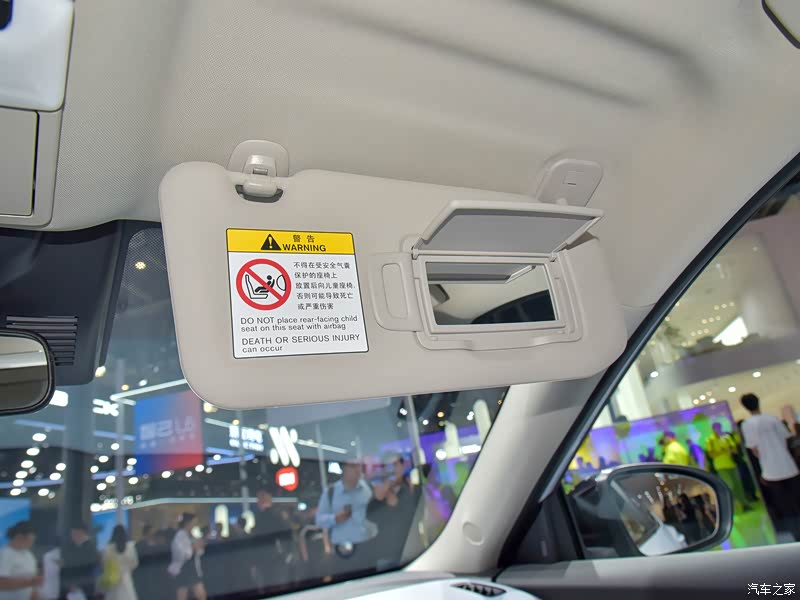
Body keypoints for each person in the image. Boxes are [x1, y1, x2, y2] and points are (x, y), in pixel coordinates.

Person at [740, 393, 800, 541]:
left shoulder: (747, 425)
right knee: (797, 499)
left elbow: (754, 449)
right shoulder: (772, 418)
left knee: (783, 505)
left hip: (770, 470)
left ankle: (795, 535)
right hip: (788, 465)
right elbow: (786, 438)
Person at [315, 460, 377, 575]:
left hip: (367, 547)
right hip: (342, 552)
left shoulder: (369, 489)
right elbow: (319, 520)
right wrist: (335, 518)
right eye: (353, 466)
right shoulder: (331, 492)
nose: (357, 469)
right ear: (343, 469)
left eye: (359, 465)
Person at [368, 453, 421, 570]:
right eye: (388, 466)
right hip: (386, 553)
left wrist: (396, 505)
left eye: (395, 465)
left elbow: (415, 516)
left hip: (411, 551)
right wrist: (377, 498)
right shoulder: (380, 490)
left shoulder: (412, 488)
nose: (392, 470)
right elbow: (370, 517)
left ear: (402, 467)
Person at [705, 422, 751, 511]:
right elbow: (710, 454)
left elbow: (734, 449)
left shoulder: (726, 437)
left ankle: (744, 504)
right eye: (715, 428)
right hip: (721, 466)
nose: (718, 430)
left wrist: (730, 450)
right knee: (730, 485)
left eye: (719, 427)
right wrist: (722, 451)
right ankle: (731, 505)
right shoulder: (710, 440)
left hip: (731, 463)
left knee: (738, 485)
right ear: (713, 429)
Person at [168, 513, 207, 600]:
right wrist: (194, 547)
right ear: (187, 523)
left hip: (192, 568)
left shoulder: (191, 535)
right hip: (184, 568)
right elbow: (181, 553)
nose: (195, 525)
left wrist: (200, 546)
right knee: (183, 594)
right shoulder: (180, 535)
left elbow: (198, 551)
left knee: (199, 594)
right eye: (194, 522)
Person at [0, 521, 42, 600]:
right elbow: (1, 583)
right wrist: (29, 582)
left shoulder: (29, 555)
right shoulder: (4, 554)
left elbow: (33, 584)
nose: (31, 544)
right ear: (19, 537)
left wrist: (34, 592)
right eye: (30, 540)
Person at [61, 523, 99, 599]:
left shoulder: (87, 547)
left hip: (83, 588)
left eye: (74, 534)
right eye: (72, 534)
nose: (72, 537)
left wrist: (75, 583)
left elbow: (85, 567)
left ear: (80, 532)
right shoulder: (87, 546)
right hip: (84, 587)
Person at [100, 525, 139, 600]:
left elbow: (104, 564)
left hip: (112, 578)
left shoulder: (108, 548)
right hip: (126, 577)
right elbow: (135, 563)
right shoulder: (130, 547)